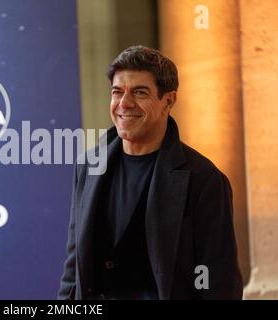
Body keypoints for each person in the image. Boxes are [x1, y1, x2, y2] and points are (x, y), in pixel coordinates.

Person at [58, 45, 243, 300]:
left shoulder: (204, 179)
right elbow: (73, 270)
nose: (124, 103)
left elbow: (220, 284)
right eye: (117, 92)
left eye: (139, 92)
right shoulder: (88, 166)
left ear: (169, 100)